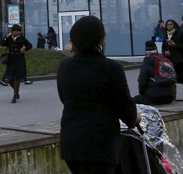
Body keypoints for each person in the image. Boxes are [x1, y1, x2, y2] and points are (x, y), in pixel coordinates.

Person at [56, 15, 138, 174]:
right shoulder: (112, 68)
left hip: (71, 145)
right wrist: (135, 118)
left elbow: (64, 98)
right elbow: (126, 109)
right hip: (100, 146)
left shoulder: (65, 66)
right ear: (99, 42)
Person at [133, 40, 175, 106]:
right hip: (169, 97)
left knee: (136, 99)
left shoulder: (147, 63)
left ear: (146, 52)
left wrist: (142, 93)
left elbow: (142, 82)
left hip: (155, 98)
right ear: (156, 50)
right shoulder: (164, 60)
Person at [162, 19, 183, 99]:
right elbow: (163, 46)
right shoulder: (165, 35)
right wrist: (165, 52)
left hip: (180, 60)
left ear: (174, 25)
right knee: (171, 79)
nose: (169, 26)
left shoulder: (180, 33)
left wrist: (175, 45)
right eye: (168, 25)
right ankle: (173, 96)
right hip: (169, 61)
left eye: (171, 24)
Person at [1, 25, 33, 103]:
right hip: (11, 60)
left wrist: (24, 48)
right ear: (12, 31)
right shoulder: (9, 38)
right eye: (15, 31)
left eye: (18, 31)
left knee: (16, 78)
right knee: (9, 79)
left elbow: (30, 45)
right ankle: (17, 92)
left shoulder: (22, 38)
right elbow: (2, 43)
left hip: (19, 60)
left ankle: (15, 95)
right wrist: (6, 36)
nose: (17, 32)